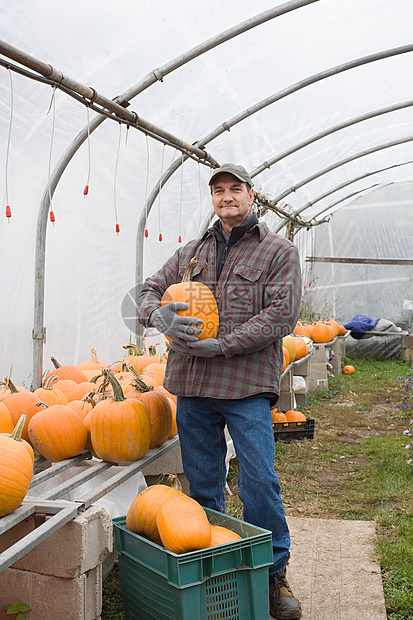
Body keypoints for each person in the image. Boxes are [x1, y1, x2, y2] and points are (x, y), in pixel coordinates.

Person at [137, 163, 302, 620]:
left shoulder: (278, 252)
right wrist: (160, 317)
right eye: (218, 190)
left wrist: (222, 344)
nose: (226, 196)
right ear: (212, 199)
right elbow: (146, 291)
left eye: (234, 189)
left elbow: (280, 316)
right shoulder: (191, 253)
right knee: (203, 483)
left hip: (245, 385)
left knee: (259, 482)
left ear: (253, 195)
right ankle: (218, 571)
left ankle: (272, 574)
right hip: (191, 387)